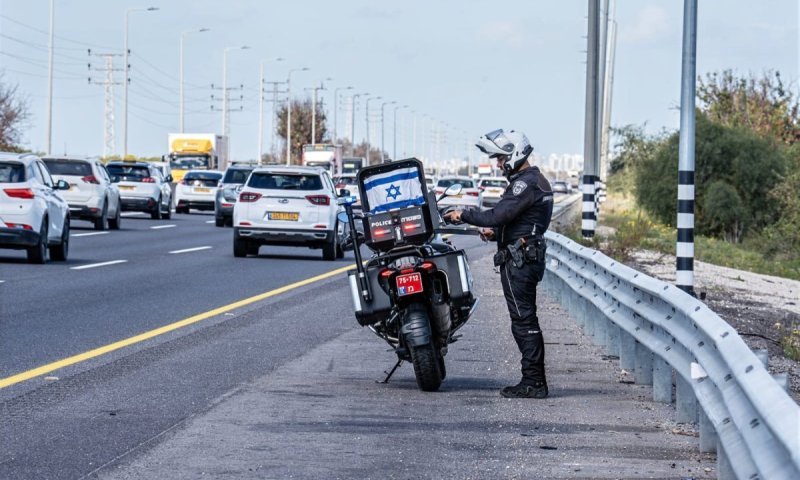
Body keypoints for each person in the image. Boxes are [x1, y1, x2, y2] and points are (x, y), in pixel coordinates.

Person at [444, 129, 553, 399]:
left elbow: (498, 215)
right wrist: (496, 234)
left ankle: (533, 382)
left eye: (501, 158)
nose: (499, 164)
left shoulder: (524, 184)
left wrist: (463, 214)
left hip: (521, 262)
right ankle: (533, 380)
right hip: (525, 256)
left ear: (515, 154)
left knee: (524, 321)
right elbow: (520, 221)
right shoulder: (534, 180)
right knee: (525, 318)